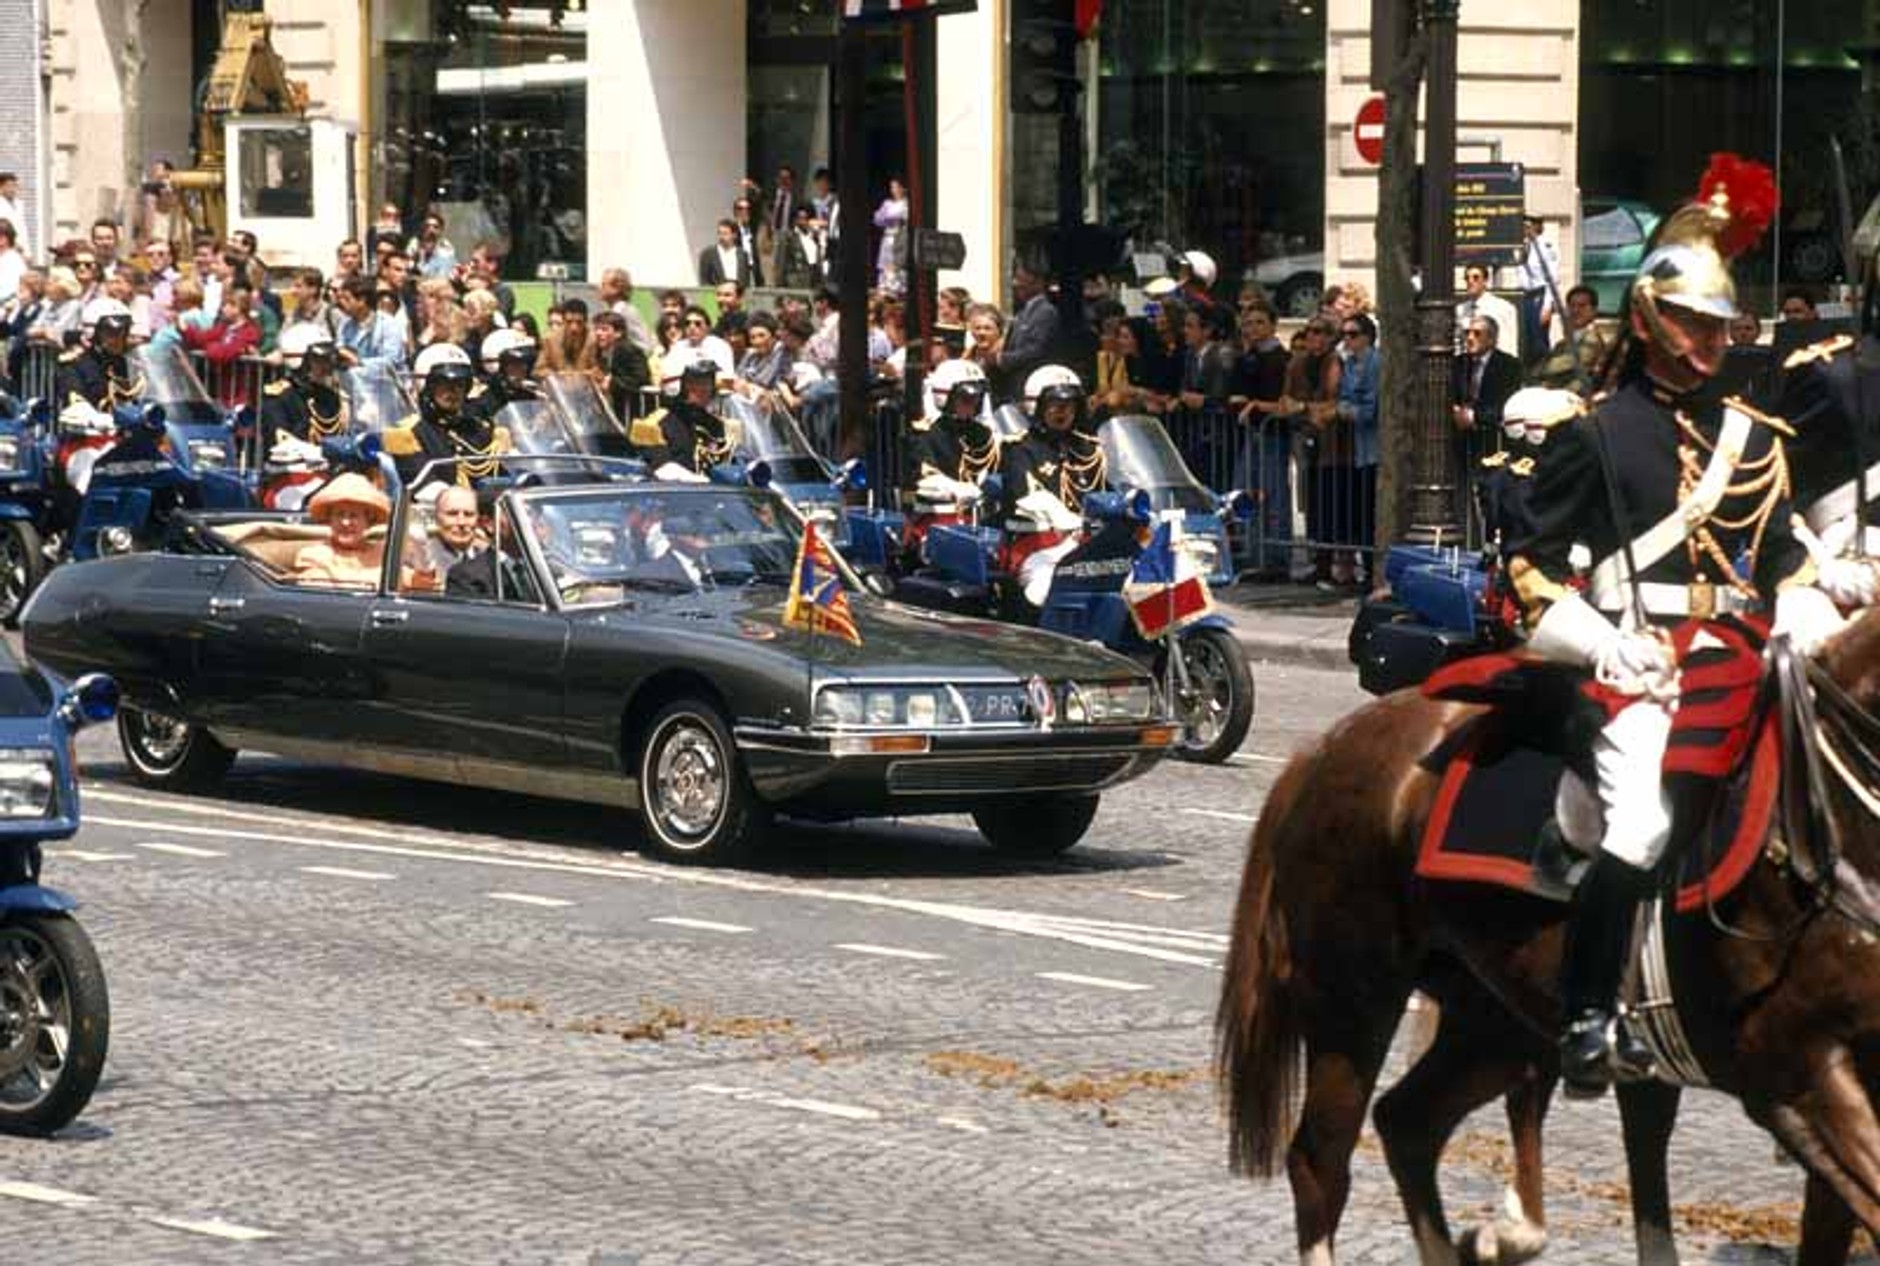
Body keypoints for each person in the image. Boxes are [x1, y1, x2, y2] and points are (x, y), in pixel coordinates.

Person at [1507, 159, 1860, 1097]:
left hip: (1737, 648)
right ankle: (1587, 1014)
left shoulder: (1754, 434)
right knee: (1643, 820)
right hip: (1636, 663)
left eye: (1720, 326)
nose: (1709, 342)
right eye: (1693, 323)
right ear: (1649, 318)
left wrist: (1831, 578)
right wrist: (1600, 641)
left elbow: (1779, 548)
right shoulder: (1593, 432)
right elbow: (1530, 572)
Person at [1001, 364, 1105, 608]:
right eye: (1055, 405)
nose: (1063, 412)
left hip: (1087, 543)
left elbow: (1112, 491)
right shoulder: (1019, 448)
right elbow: (1026, 494)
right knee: (1048, 584)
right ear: (1036, 406)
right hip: (1036, 543)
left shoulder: (1089, 448)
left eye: (1070, 405)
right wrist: (1065, 518)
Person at [384, 344, 513, 490]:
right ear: (427, 386)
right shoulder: (407, 433)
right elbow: (423, 488)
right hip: (439, 510)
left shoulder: (478, 427)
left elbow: (503, 477)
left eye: (460, 383)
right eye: (444, 383)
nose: (453, 391)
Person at [631, 358, 734, 480]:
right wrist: (695, 480)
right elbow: (660, 468)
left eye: (707, 382)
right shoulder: (654, 424)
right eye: (693, 382)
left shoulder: (716, 424)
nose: (702, 389)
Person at [293, 472, 391, 590]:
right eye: (339, 515)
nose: (345, 522)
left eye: (353, 516)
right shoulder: (314, 555)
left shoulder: (384, 554)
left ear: (368, 521)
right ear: (329, 519)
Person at [1515, 215, 1563, 367]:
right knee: (1525, 341)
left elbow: (1552, 279)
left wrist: (1547, 306)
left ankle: (1543, 373)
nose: (1524, 229)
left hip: (1539, 296)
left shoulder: (1546, 246)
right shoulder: (1521, 246)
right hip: (1524, 297)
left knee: (1539, 342)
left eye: (1528, 225)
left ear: (1536, 226)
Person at [333, 275, 406, 369]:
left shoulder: (388, 325)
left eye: (347, 299)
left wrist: (359, 362)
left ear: (362, 300)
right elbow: (340, 348)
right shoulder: (345, 324)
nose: (342, 303)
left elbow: (391, 361)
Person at [590, 311, 650, 420]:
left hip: (633, 413)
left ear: (618, 333)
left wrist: (612, 383)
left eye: (604, 329)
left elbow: (641, 378)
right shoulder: (599, 352)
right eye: (596, 329)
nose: (598, 333)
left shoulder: (628, 350)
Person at [1457, 262, 1523, 362]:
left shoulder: (1503, 307)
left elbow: (1509, 344)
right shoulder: (1460, 310)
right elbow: (1459, 342)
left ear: (1485, 281)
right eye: (1467, 278)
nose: (1470, 281)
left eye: (1475, 277)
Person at [478, 327, 540, 411]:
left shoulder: (529, 395)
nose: (523, 368)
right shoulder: (484, 402)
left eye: (525, 361)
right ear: (497, 364)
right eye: (514, 363)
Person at [873, 178, 909, 296]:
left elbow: (899, 217)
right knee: (885, 267)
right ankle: (885, 290)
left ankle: (896, 291)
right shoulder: (887, 203)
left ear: (903, 188)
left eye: (896, 187)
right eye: (892, 187)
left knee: (897, 267)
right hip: (887, 238)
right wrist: (888, 218)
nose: (894, 190)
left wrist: (889, 217)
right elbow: (878, 219)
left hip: (900, 238)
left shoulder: (907, 204)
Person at [698, 219, 751, 287]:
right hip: (716, 294)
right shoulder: (708, 254)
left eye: (725, 234)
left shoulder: (743, 254)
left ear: (734, 235)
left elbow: (746, 280)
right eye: (719, 233)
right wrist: (709, 297)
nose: (721, 237)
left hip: (738, 294)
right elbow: (704, 281)